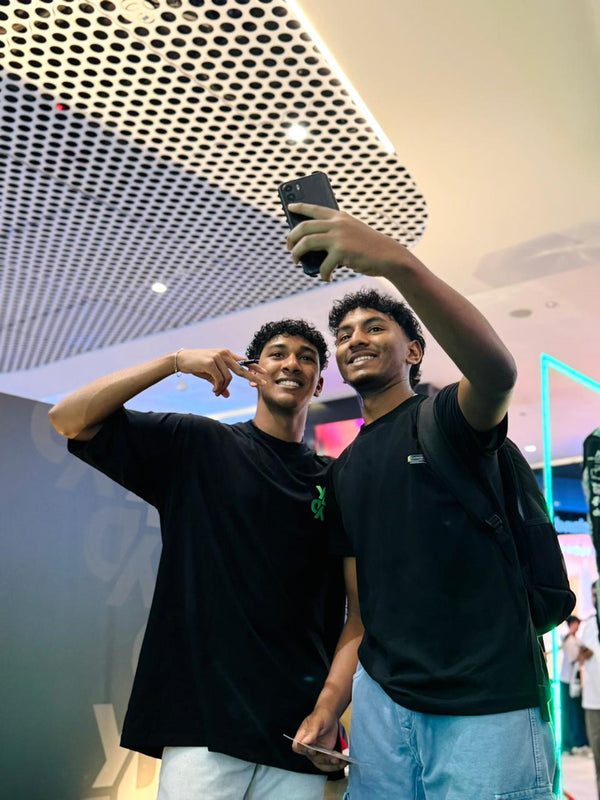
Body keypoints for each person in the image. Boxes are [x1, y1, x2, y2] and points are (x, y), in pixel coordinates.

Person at [284, 203, 557, 799]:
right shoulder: (342, 470)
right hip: (383, 707)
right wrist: (330, 706)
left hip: (485, 702)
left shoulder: (447, 421)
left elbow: (496, 374)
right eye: (344, 335)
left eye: (375, 327)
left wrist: (396, 263)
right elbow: (361, 615)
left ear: (413, 351)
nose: (356, 339)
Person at [48, 319, 355, 800]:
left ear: (318, 383)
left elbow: (356, 614)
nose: (291, 364)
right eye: (277, 354)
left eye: (306, 358)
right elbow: (69, 419)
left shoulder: (335, 481)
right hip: (205, 727)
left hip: (297, 734)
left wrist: (329, 711)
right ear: (253, 372)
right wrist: (173, 362)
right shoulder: (198, 443)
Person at [580, 581, 600, 797]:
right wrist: (582, 654)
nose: (596, 599)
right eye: (593, 595)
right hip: (594, 702)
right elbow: (581, 657)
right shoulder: (589, 625)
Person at [559, 615, 589, 754]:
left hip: (574, 682)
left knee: (575, 712)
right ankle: (570, 744)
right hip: (567, 681)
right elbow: (575, 659)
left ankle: (576, 742)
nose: (578, 627)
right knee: (570, 713)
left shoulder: (576, 640)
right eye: (576, 624)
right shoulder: (568, 640)